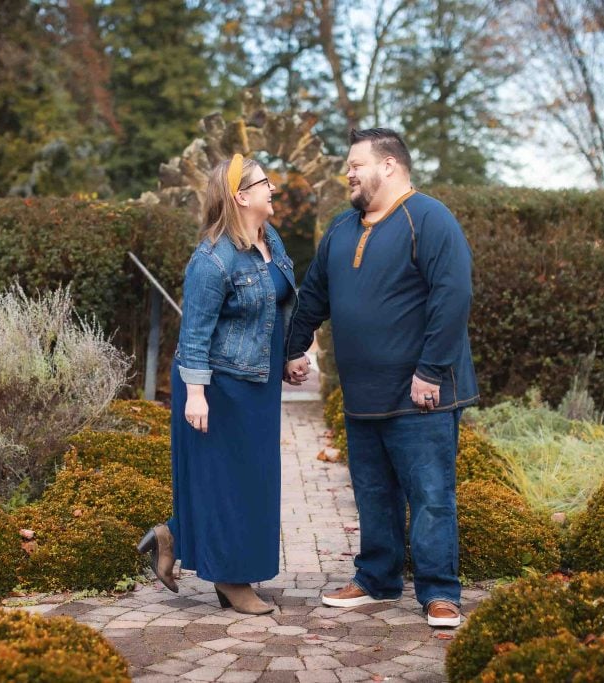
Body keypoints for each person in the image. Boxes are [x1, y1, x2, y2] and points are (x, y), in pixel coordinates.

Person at [284, 128, 479, 628]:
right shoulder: (341, 229)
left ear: (389, 166)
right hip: (362, 395)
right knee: (373, 495)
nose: (348, 173)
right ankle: (376, 580)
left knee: (431, 497)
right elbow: (314, 295)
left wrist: (432, 370)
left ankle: (440, 592)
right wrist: (295, 346)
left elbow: (451, 296)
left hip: (421, 395)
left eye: (356, 164)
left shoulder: (430, 218)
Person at [137, 153, 296, 615]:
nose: (274, 189)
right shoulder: (212, 258)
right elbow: (195, 332)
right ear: (241, 196)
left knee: (254, 480)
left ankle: (171, 535)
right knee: (229, 483)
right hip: (218, 388)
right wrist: (198, 394)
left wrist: (290, 356)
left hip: (257, 384)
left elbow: (277, 306)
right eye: (266, 182)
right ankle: (231, 581)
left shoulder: (271, 240)